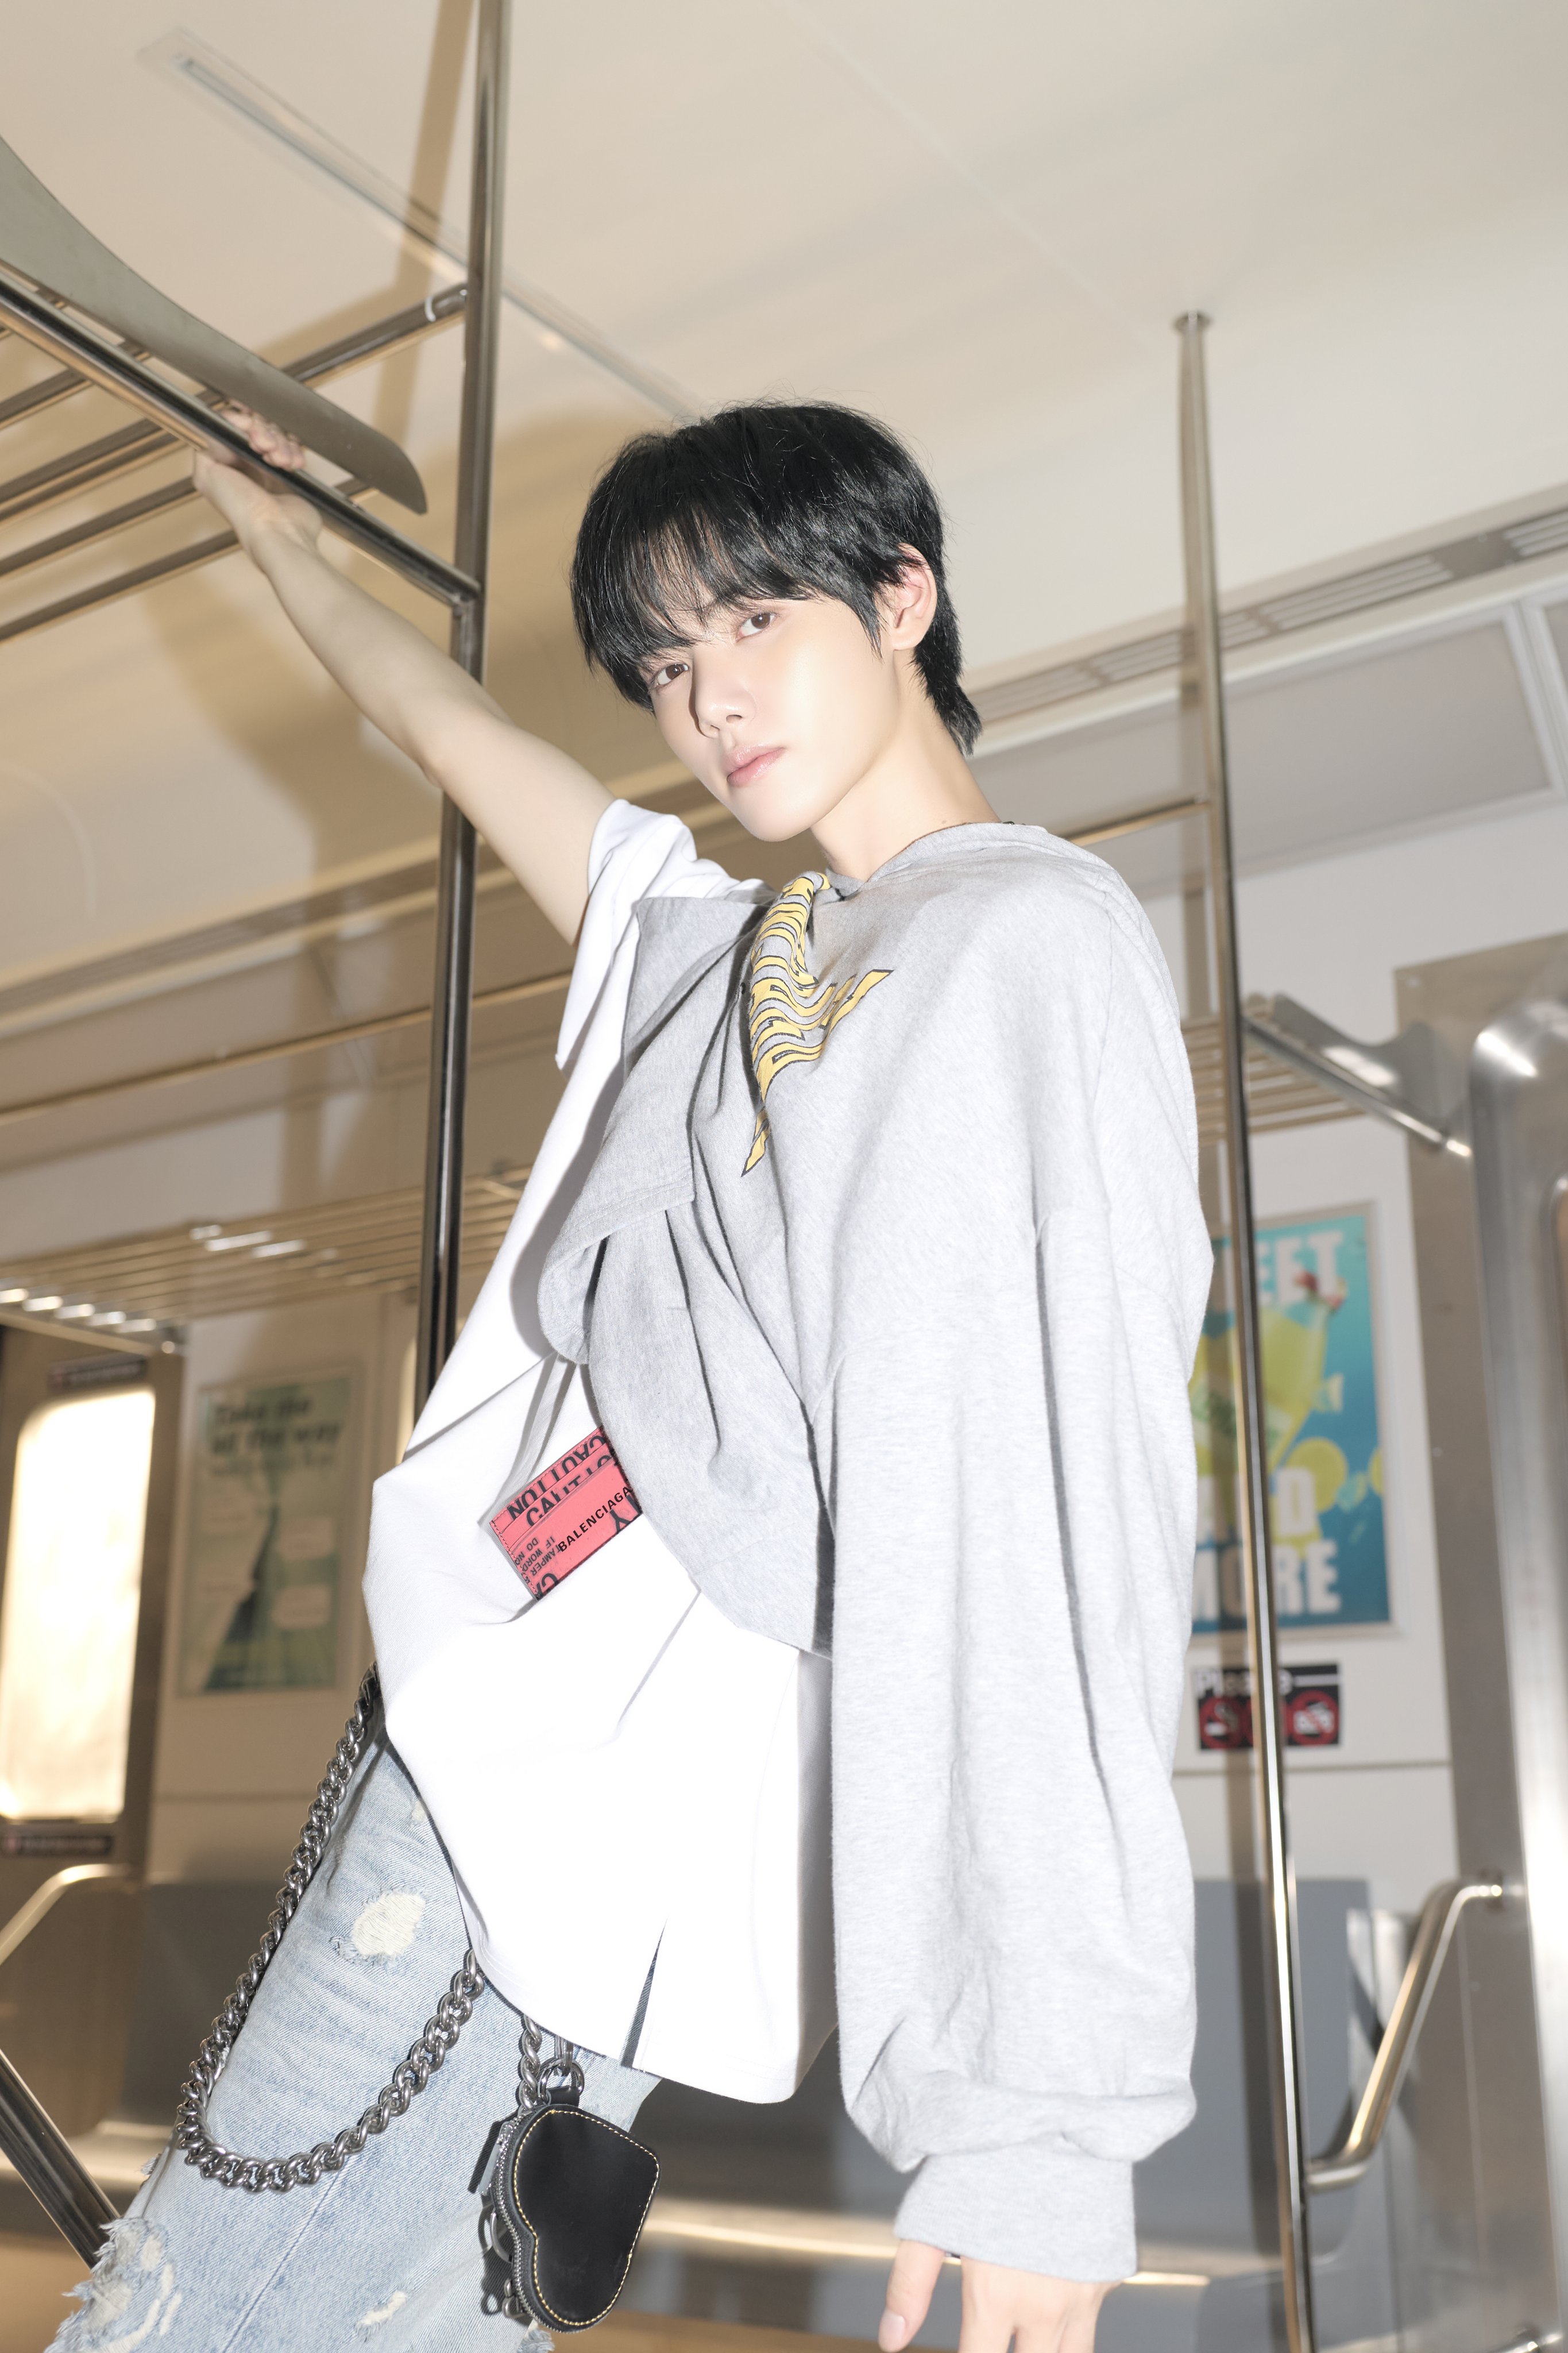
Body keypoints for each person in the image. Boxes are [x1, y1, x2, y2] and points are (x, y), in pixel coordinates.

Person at [54, 402, 1211, 2353]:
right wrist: (272, 532)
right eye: (666, 669)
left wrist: (1035, 2127)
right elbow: (444, 728)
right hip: (478, 1746)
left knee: (183, 2326)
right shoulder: (723, 949)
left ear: (901, 597)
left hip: (575, 1819)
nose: (709, 703)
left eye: (753, 624)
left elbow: (1041, 1520)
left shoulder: (1011, 946)